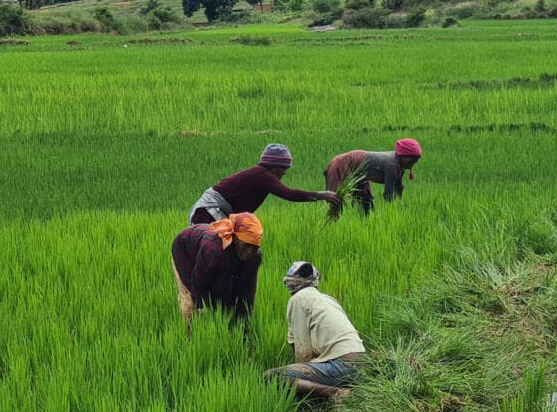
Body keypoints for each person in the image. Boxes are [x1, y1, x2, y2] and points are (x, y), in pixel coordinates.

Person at [265, 261, 366, 400]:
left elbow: (303, 354)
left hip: (342, 366)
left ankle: (335, 393)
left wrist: (298, 373)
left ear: (290, 284)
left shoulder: (298, 299)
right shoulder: (328, 299)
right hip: (362, 362)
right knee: (299, 384)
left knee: (274, 376)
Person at [188, 143, 339, 225]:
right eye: (284, 168)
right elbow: (290, 194)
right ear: (273, 167)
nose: (285, 173)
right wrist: (321, 195)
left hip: (215, 211)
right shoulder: (262, 175)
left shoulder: (262, 176)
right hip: (209, 211)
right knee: (222, 250)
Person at [171, 212, 263, 334]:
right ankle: (189, 335)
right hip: (185, 250)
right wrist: (202, 308)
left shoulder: (255, 256)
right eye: (246, 245)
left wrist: (244, 326)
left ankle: (231, 332)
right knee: (191, 301)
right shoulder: (214, 251)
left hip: (215, 257)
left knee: (229, 297)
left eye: (254, 247)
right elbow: (199, 282)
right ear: (234, 237)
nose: (249, 251)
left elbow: (248, 291)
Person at [324, 138, 422, 214]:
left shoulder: (400, 165)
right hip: (344, 164)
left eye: (416, 161)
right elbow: (388, 194)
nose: (413, 164)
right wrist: (392, 211)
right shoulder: (392, 166)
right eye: (412, 161)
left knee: (365, 199)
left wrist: (400, 205)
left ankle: (365, 222)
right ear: (402, 156)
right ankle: (333, 223)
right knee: (336, 199)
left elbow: (399, 186)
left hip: (361, 172)